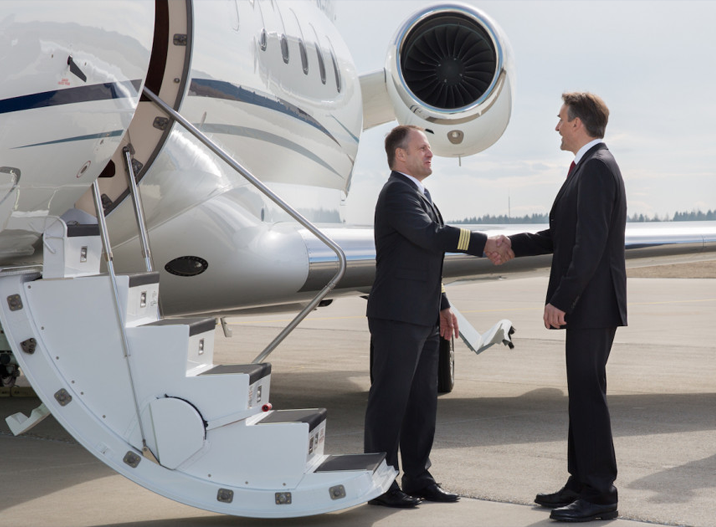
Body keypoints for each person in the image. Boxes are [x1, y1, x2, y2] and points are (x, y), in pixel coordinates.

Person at [364, 124, 509, 508]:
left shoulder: (419, 194)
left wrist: (442, 304)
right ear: (401, 155)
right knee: (390, 402)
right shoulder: (397, 193)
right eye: (423, 148)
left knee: (421, 401)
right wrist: (484, 243)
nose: (430, 154)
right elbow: (432, 236)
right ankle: (379, 482)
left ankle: (417, 476)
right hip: (397, 316)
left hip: (424, 314)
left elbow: (425, 256)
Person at [504, 92, 627, 522]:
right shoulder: (586, 169)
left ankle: (600, 495)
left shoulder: (596, 169)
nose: (556, 126)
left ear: (578, 123)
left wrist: (562, 299)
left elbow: (589, 247)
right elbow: (561, 236)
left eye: (560, 119)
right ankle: (581, 481)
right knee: (582, 394)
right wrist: (509, 245)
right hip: (589, 304)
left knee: (589, 396)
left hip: (592, 304)